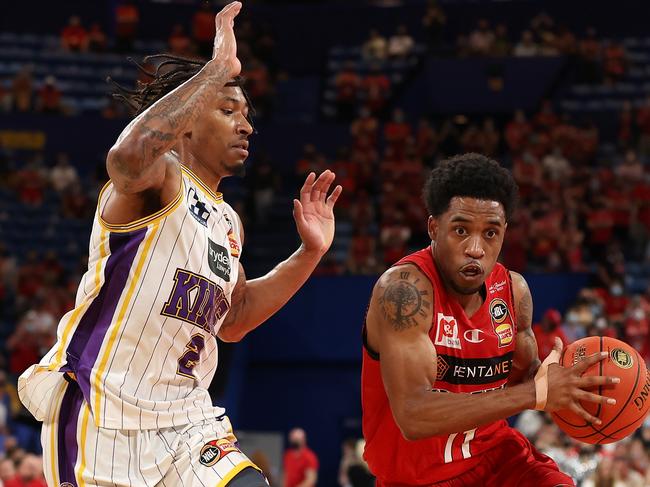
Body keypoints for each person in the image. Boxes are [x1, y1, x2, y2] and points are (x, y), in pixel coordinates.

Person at [18, 3, 341, 487]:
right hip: (105, 414)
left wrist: (309, 253)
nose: (247, 125)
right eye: (228, 110)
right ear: (187, 120)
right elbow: (125, 160)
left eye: (247, 115)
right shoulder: (162, 177)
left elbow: (233, 320)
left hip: (189, 422)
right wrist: (215, 73)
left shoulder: (229, 220)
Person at [361, 153, 618, 486]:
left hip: (497, 459)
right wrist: (534, 395)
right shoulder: (403, 293)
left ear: (505, 233)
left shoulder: (513, 291)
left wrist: (574, 386)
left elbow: (527, 379)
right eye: (461, 230)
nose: (475, 249)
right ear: (433, 227)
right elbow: (413, 416)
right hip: (416, 478)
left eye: (490, 233)